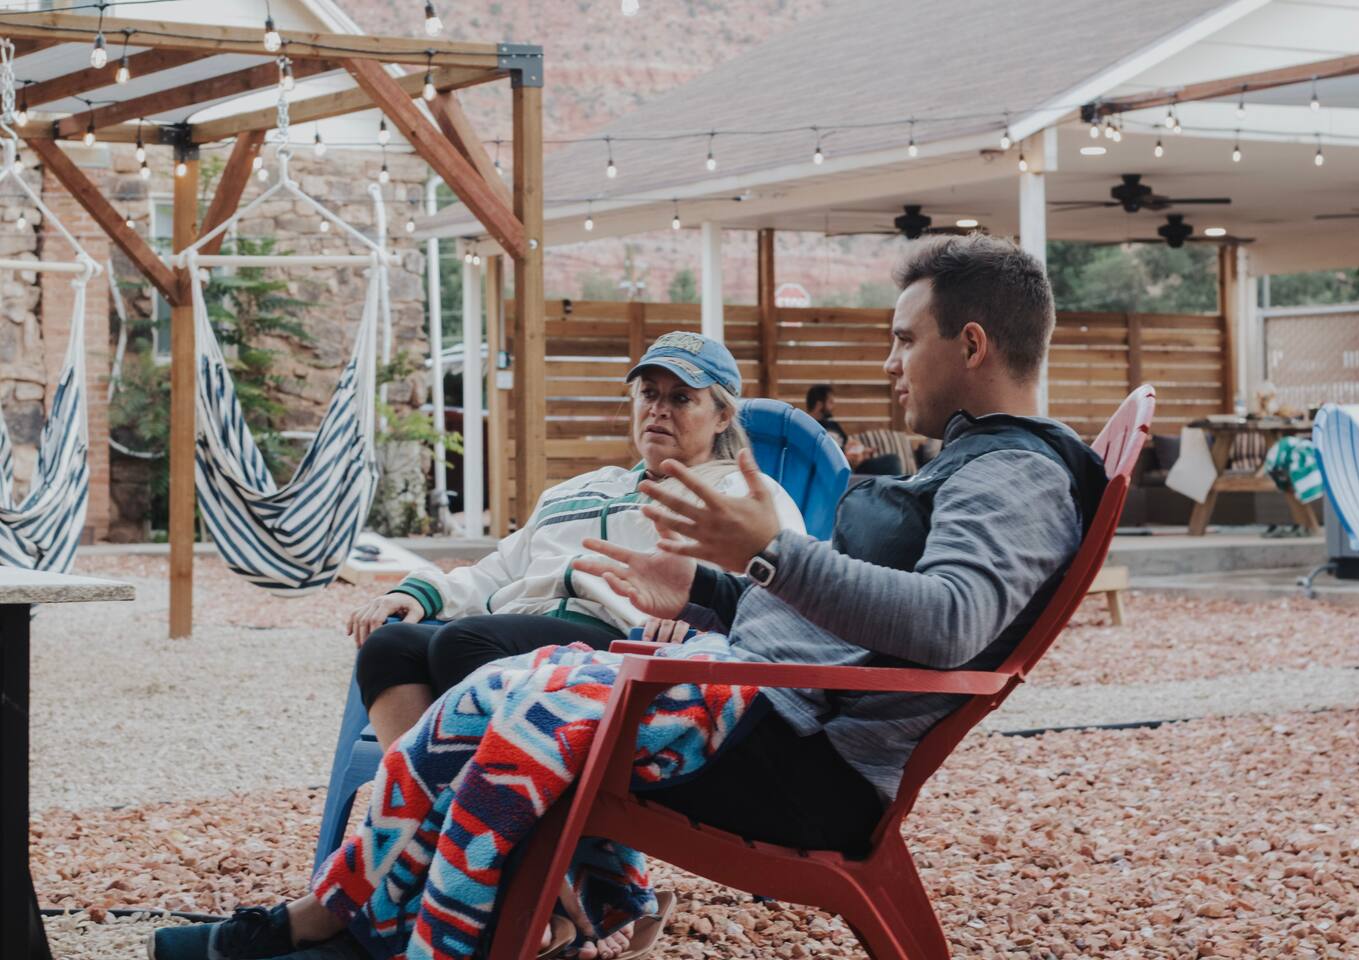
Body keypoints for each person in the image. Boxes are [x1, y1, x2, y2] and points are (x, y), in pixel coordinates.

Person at [150, 235, 1106, 960]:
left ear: (971, 343)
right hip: (755, 707)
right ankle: (336, 917)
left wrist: (768, 555)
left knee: (524, 709)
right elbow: (848, 619)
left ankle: (388, 931)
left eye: (905, 341)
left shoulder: (1013, 474)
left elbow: (947, 627)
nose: (890, 363)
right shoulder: (980, 463)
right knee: (507, 686)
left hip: (797, 758)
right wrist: (702, 587)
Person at [345, 331, 805, 750]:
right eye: (648, 394)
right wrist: (421, 591)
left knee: (465, 643)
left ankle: (505, 814)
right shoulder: (579, 489)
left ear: (723, 415)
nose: (659, 409)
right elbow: (501, 569)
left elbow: (776, 592)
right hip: (521, 629)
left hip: (624, 649)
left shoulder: (739, 494)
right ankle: (423, 812)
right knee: (389, 648)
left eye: (681, 398)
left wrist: (702, 623)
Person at [804, 382, 903, 475]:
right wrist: (844, 458)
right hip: (834, 469)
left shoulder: (832, 424)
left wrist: (862, 452)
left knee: (892, 461)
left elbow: (848, 444)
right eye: (830, 402)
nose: (833, 406)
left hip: (854, 467)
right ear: (819, 404)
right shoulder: (807, 428)